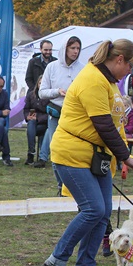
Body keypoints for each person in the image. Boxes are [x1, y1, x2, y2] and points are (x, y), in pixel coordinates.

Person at [41, 39, 133, 266]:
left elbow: (115, 123)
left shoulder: (108, 82)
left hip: (95, 156)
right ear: (119, 59)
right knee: (93, 210)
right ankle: (56, 260)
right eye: (131, 65)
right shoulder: (92, 79)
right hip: (72, 154)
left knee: (102, 214)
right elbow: (103, 124)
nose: (130, 71)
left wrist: (119, 154)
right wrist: (125, 156)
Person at [35, 36, 85, 197]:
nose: (75, 52)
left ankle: (73, 187)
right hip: (56, 114)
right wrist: (58, 91)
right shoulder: (52, 67)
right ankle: (60, 186)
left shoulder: (83, 69)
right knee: (56, 151)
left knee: (74, 153)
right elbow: (42, 93)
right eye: (73, 48)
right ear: (65, 48)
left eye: (78, 48)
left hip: (76, 116)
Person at [22, 77, 49, 165]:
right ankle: (32, 150)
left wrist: (37, 117)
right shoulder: (31, 95)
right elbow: (26, 109)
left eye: (43, 83)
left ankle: (31, 154)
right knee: (31, 123)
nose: (41, 85)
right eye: (40, 83)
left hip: (44, 124)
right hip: (33, 124)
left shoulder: (49, 96)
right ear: (37, 84)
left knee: (33, 126)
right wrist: (28, 116)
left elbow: (50, 114)